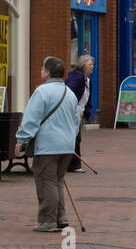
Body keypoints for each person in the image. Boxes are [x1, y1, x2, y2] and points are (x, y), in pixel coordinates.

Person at [15, 56, 80, 232]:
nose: (41, 71)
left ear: (48, 72)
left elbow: (31, 118)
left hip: (48, 145)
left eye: (43, 68)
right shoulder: (70, 93)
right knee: (57, 180)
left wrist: (21, 139)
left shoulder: (42, 92)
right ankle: (61, 217)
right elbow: (76, 122)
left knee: (46, 182)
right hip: (67, 145)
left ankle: (48, 221)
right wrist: (70, 138)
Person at [64, 55, 94, 173]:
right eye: (90, 65)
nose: (92, 67)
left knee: (76, 138)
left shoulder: (88, 80)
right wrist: (76, 108)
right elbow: (68, 92)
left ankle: (73, 164)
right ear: (83, 66)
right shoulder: (77, 77)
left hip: (79, 114)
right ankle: (73, 165)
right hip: (72, 112)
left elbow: (87, 98)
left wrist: (86, 112)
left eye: (93, 65)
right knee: (74, 138)